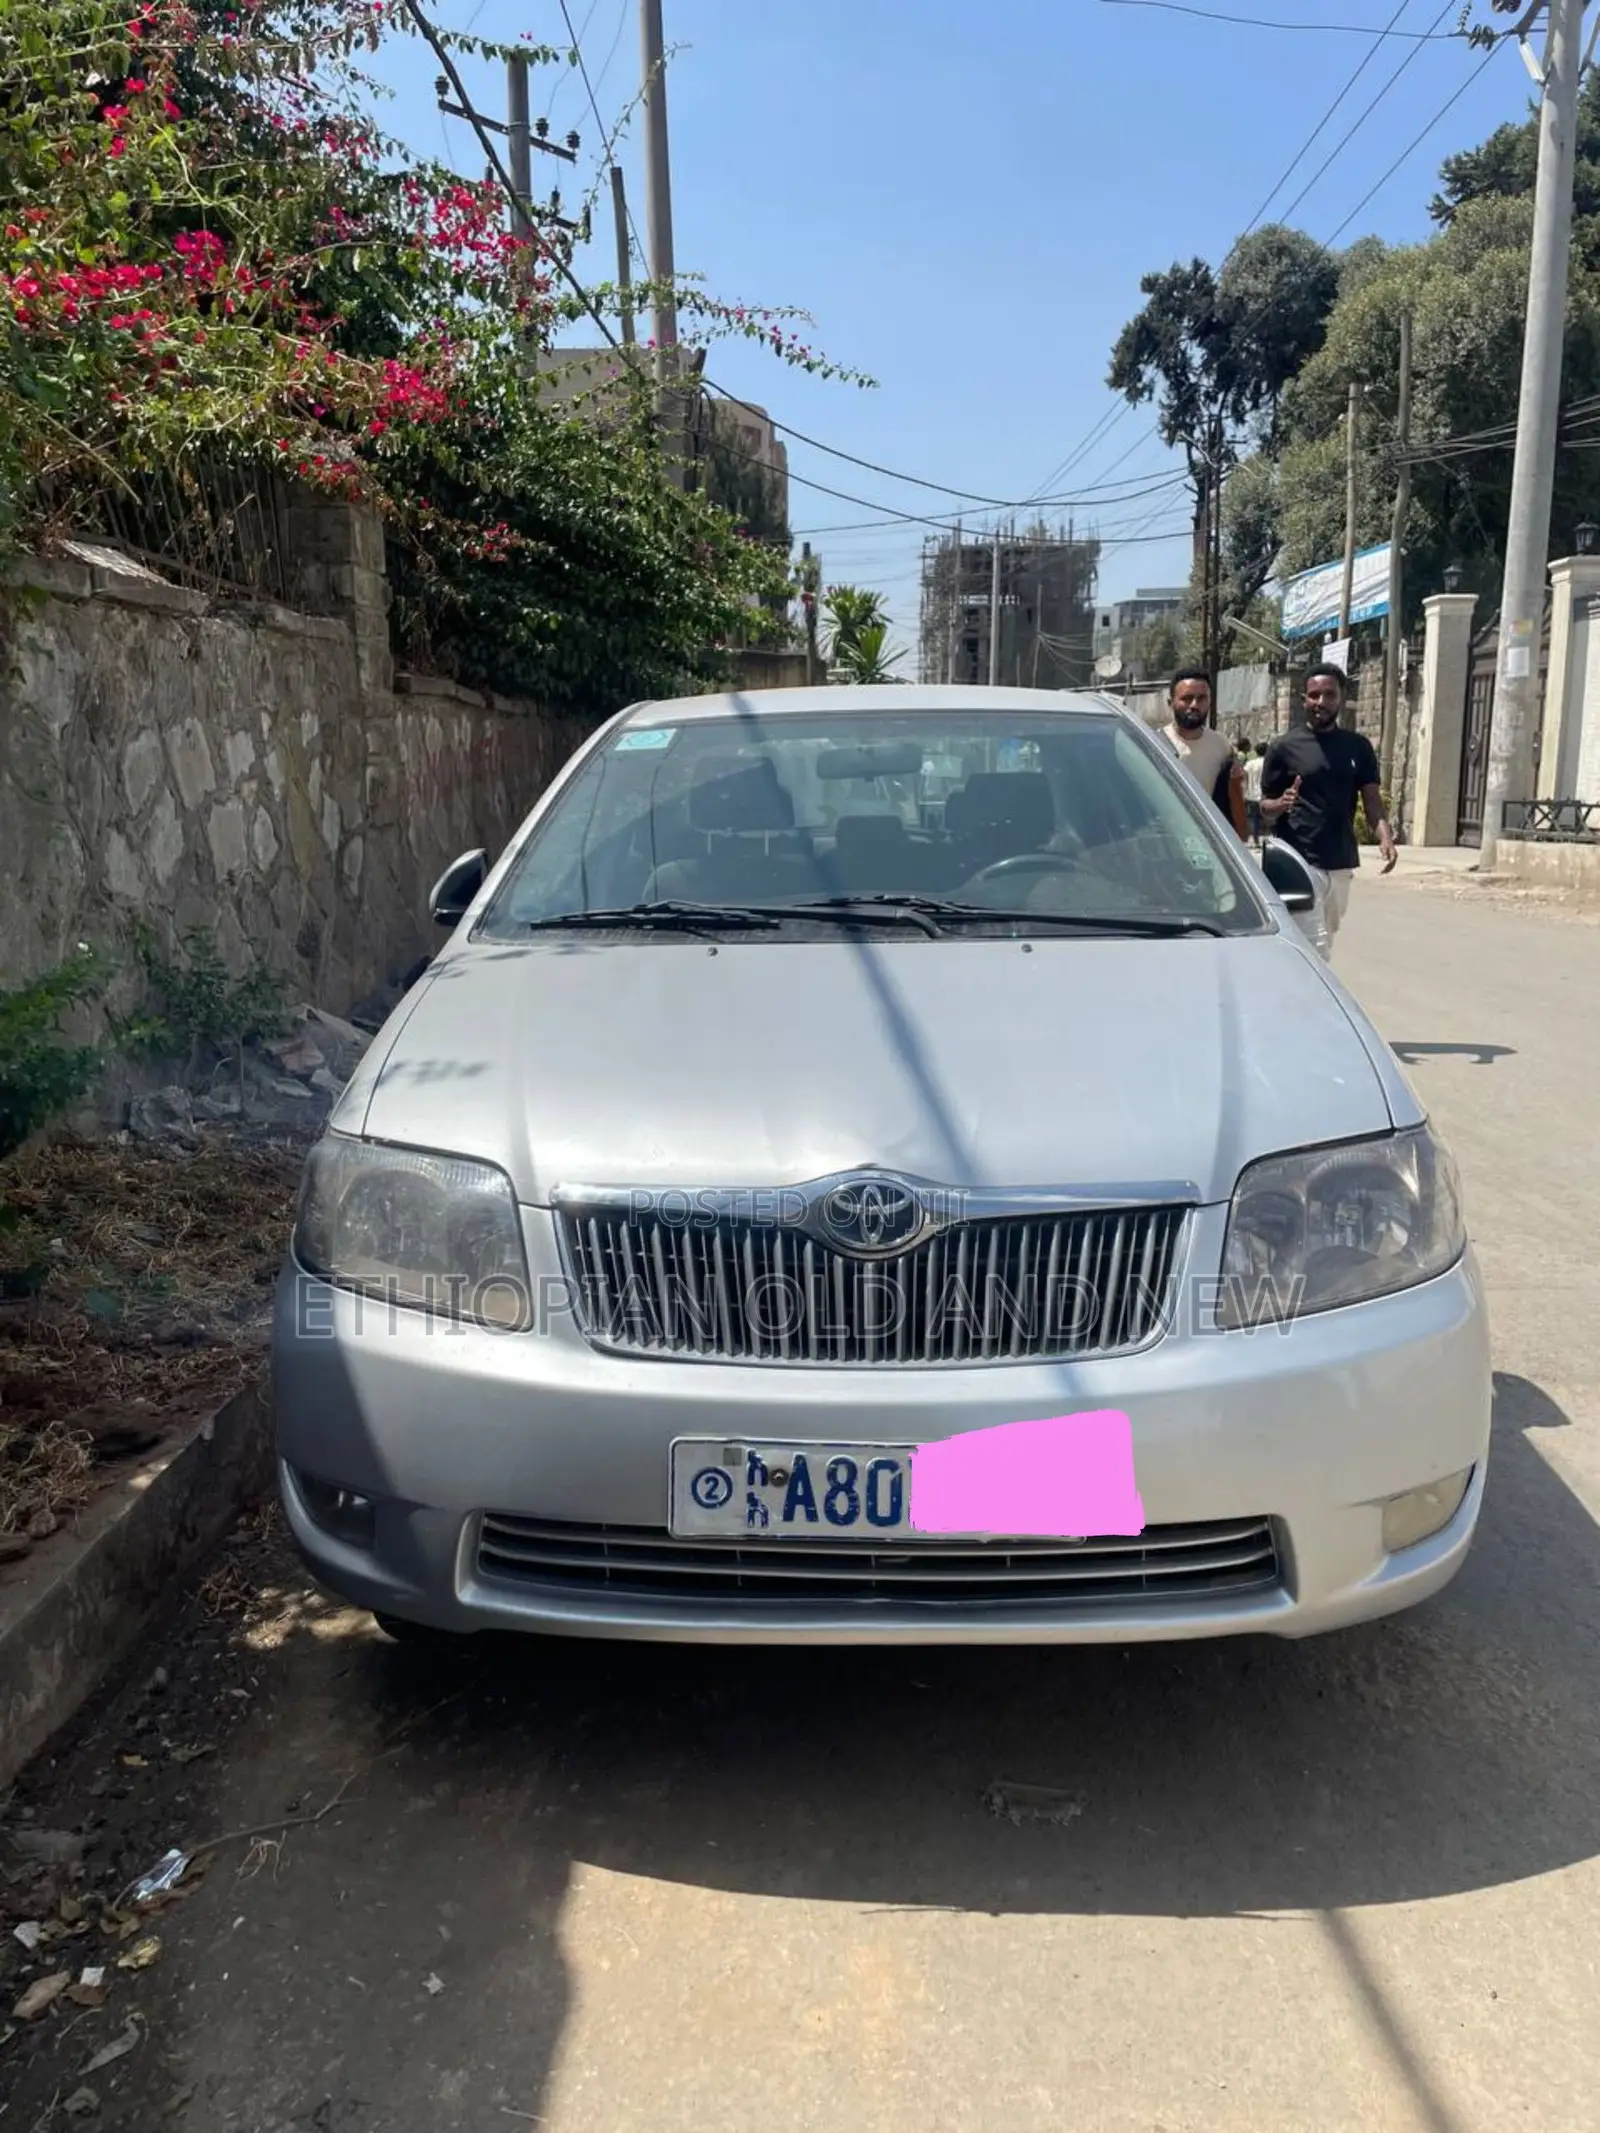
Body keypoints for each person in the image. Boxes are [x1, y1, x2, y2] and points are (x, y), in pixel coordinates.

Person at [1261, 664, 1397, 954]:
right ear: (1304, 699)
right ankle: (1310, 997)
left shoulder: (1357, 747)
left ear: (1341, 697)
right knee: (1315, 943)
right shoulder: (1284, 747)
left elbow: (1371, 798)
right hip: (1299, 858)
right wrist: (1280, 803)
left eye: (1328, 695)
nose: (1320, 702)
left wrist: (1384, 835)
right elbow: (1264, 807)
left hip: (1341, 860)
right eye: (1313, 695)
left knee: (1328, 934)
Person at [1161, 670, 1247, 840]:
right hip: (1166, 839)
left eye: (1201, 698)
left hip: (1208, 841)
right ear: (1171, 703)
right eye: (1186, 698)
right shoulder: (1156, 743)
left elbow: (1232, 800)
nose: (1194, 704)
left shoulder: (1221, 746)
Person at [1242, 740, 1266, 844]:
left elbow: (1244, 776)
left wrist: (1245, 790)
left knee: (1254, 817)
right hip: (1265, 794)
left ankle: (1255, 839)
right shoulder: (1268, 762)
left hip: (1251, 794)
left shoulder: (1250, 763)